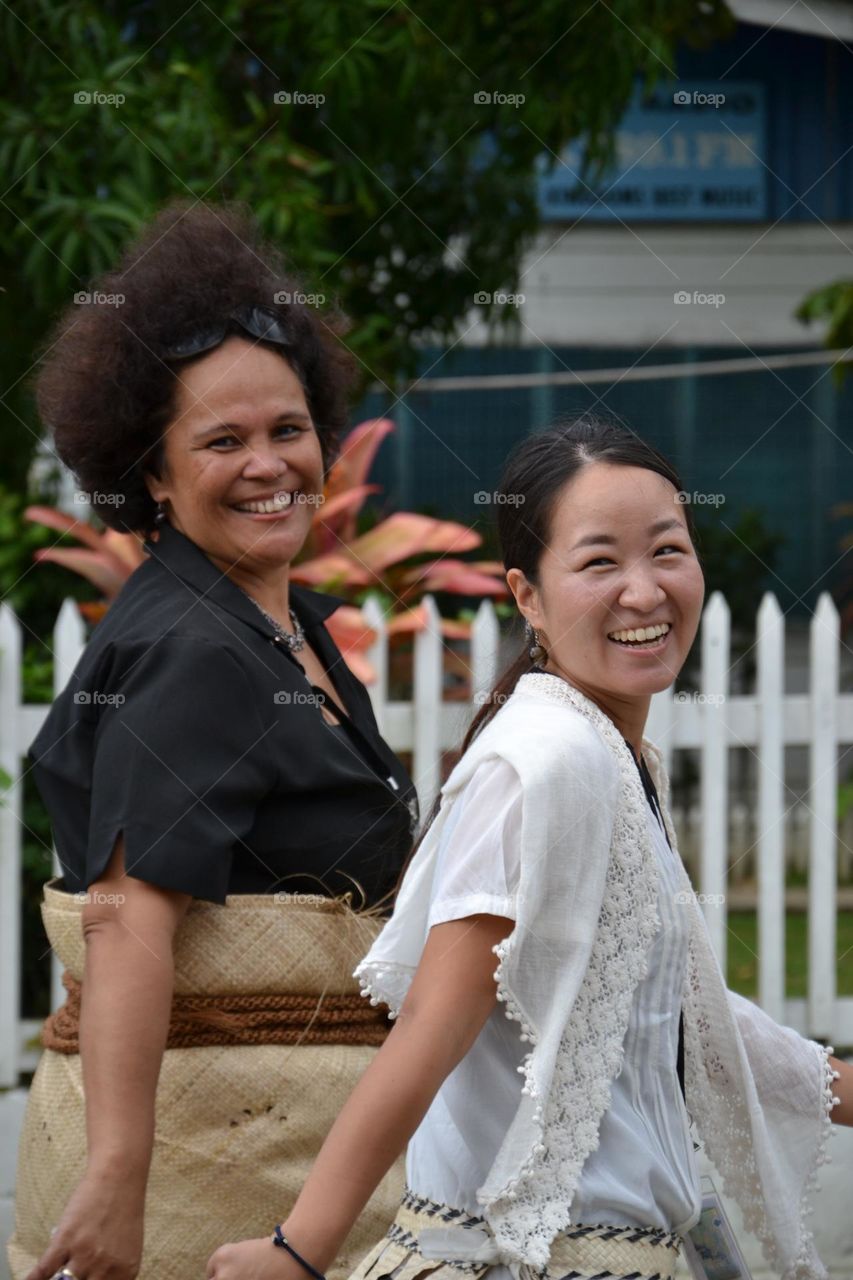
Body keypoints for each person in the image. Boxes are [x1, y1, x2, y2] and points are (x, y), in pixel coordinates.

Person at [206, 415, 853, 1280]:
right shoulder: (546, 762)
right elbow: (430, 1031)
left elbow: (668, 1011)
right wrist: (298, 1252)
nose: (643, 591)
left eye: (667, 549)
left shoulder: (607, 754)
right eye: (597, 562)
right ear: (527, 596)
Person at [9, 201, 418, 1280]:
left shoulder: (283, 626)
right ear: (152, 474)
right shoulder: (196, 651)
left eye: (287, 430)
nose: (267, 464)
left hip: (284, 1152)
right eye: (221, 440)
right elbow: (130, 915)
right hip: (215, 1179)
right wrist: (116, 1172)